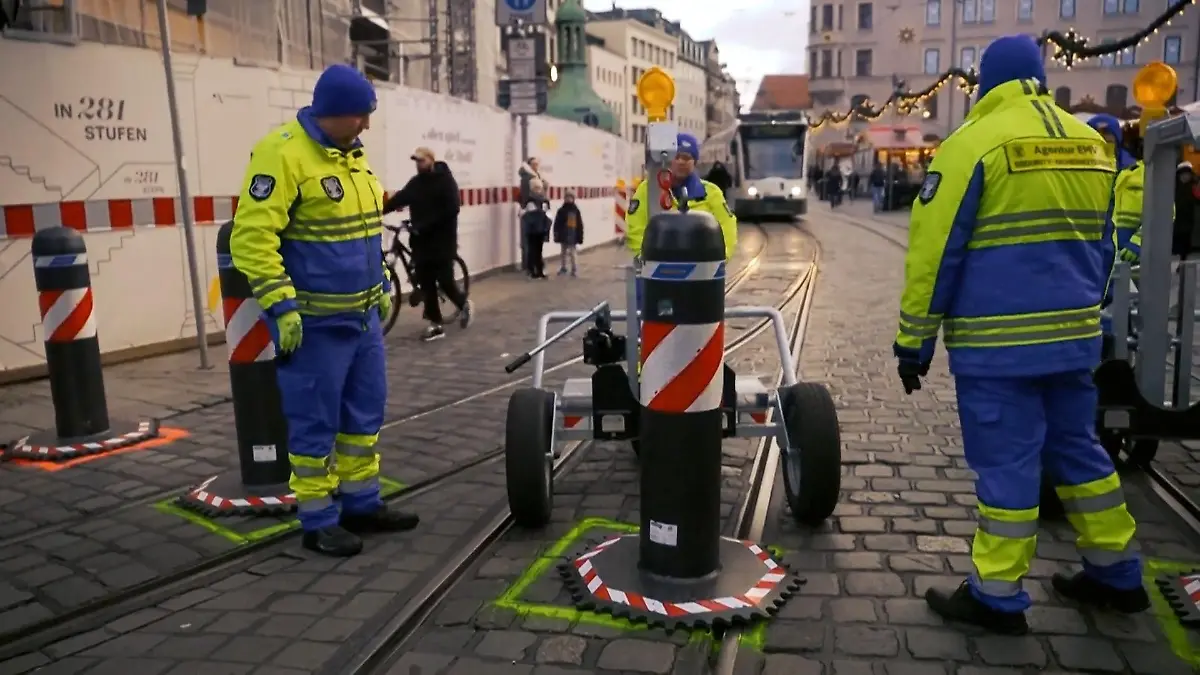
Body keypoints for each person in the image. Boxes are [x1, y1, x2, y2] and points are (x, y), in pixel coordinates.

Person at [894, 35, 1147, 635]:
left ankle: (997, 592)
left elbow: (934, 256)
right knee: (1079, 452)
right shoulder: (1092, 145)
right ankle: (1116, 571)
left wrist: (914, 342)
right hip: (1074, 340)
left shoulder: (971, 145)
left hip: (999, 344)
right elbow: (1106, 243)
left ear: (985, 82)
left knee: (1007, 464)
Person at [230, 64, 418, 558]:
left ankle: (362, 503)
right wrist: (281, 305)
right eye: (361, 116)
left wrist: (378, 281)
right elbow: (251, 237)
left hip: (360, 322)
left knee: (363, 416)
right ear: (334, 113)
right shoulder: (284, 152)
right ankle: (317, 518)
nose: (367, 126)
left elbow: (359, 231)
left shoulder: (350, 155)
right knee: (313, 421)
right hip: (313, 325)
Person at [383, 148, 473, 342]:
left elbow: (451, 209)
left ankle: (463, 304)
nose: (418, 165)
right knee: (427, 284)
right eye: (416, 161)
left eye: (421, 161)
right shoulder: (417, 182)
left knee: (446, 281)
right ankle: (436, 324)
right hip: (421, 241)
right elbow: (402, 197)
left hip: (442, 241)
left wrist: (424, 225)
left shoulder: (445, 182)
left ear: (431, 160)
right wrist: (380, 210)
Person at [625, 132, 738, 261]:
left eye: (686, 158)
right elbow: (635, 226)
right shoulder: (649, 188)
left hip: (701, 267)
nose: (680, 162)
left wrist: (721, 257)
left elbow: (727, 225)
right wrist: (645, 257)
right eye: (676, 157)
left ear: (694, 162)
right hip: (658, 267)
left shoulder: (711, 192)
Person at [522, 178, 552, 279]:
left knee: (538, 251)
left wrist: (547, 225)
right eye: (535, 188)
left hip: (541, 230)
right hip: (532, 230)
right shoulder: (530, 201)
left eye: (539, 188)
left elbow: (548, 214)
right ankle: (532, 270)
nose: (537, 190)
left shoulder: (544, 201)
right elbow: (527, 215)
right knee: (532, 250)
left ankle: (539, 270)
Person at [553, 190, 584, 277]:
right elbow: (557, 223)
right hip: (563, 234)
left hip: (572, 235)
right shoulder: (561, 210)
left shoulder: (575, 211)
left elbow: (579, 225)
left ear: (573, 198)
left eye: (570, 197)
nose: (568, 199)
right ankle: (564, 267)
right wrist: (556, 234)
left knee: (572, 253)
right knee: (563, 252)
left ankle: (574, 269)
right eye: (567, 197)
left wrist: (580, 236)